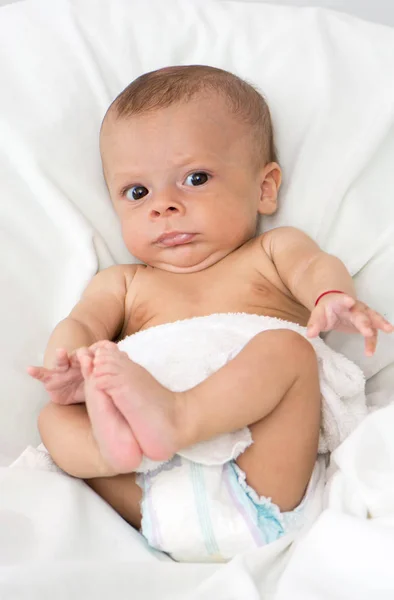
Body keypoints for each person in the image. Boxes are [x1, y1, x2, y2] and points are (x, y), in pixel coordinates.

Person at [28, 65, 393, 561]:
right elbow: (83, 325)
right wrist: (67, 364)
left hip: (263, 479)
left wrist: (330, 295)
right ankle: (110, 451)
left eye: (195, 179)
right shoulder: (124, 282)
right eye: (138, 193)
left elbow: (313, 265)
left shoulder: (269, 252)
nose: (165, 206)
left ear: (265, 188)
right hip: (147, 496)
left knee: (287, 351)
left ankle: (178, 416)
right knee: (53, 419)